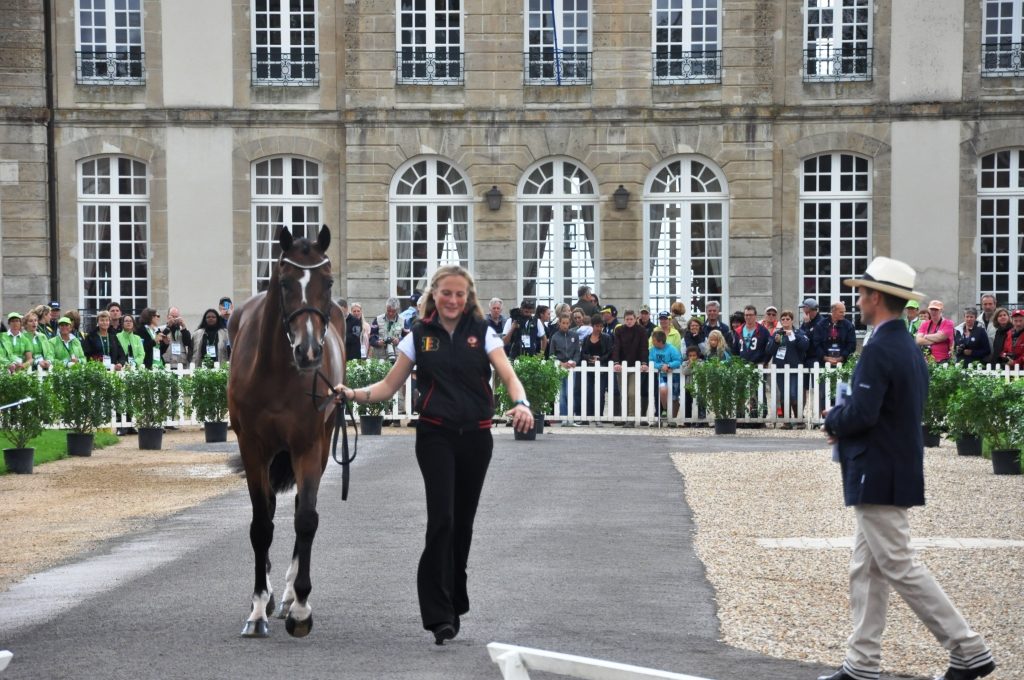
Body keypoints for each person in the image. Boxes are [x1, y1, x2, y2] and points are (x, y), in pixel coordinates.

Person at [331, 265, 533, 646]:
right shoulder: (417, 336)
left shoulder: (483, 334)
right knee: (442, 519)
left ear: (468, 297)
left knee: (464, 524)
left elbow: (507, 374)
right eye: (446, 293)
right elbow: (388, 387)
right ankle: (439, 613)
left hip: (477, 438)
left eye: (459, 294)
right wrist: (352, 394)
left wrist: (521, 402)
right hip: (435, 435)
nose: (453, 300)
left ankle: (455, 598)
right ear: (434, 295)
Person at [820, 256, 995, 680]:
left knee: (897, 563)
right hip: (889, 465)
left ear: (877, 297)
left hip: (876, 468)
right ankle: (861, 664)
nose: (857, 299)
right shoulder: (905, 345)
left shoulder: (882, 346)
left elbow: (862, 413)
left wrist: (832, 420)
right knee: (867, 568)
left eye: (862, 292)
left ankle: (968, 648)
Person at [766, 310, 810, 424]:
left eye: (788, 319)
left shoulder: (799, 332)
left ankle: (798, 419)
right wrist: (775, 343)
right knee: (784, 394)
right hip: (780, 368)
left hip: (795, 368)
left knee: (793, 393)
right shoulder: (777, 334)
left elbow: (805, 346)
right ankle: (787, 421)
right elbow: (769, 350)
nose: (785, 321)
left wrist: (793, 336)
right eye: (783, 319)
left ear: (792, 320)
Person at [612, 309, 648, 424]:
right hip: (622, 366)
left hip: (635, 366)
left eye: (631, 319)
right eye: (627, 319)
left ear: (636, 319)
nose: (629, 321)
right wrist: (616, 362)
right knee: (624, 393)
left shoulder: (641, 330)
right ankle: (625, 417)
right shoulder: (619, 330)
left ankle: (631, 418)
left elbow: (644, 347)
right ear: (624, 319)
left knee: (632, 393)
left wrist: (644, 362)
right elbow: (616, 347)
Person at [546, 313, 581, 424]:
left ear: (570, 323)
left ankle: (571, 417)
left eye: (567, 323)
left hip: (571, 368)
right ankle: (564, 418)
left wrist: (574, 361)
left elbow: (577, 352)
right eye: (563, 323)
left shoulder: (574, 336)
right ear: (559, 323)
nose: (565, 325)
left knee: (570, 392)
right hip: (560, 368)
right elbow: (551, 355)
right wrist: (560, 363)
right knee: (561, 393)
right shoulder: (555, 337)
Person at [579, 312, 613, 423]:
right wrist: (589, 358)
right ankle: (588, 417)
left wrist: (600, 359)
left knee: (600, 393)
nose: (599, 328)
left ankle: (599, 416)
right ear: (592, 326)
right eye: (597, 326)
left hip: (602, 369)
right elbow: (582, 353)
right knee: (588, 392)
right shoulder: (586, 339)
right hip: (588, 369)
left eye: (601, 326)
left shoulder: (606, 338)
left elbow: (609, 353)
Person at [649, 329, 682, 420]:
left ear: (660, 341)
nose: (652, 342)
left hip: (674, 377)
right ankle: (665, 409)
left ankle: (673, 419)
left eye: (654, 340)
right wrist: (660, 366)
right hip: (662, 376)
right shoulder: (652, 350)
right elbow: (651, 361)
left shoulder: (671, 349)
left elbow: (678, 361)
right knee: (662, 390)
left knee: (674, 397)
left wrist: (669, 365)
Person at [370, 297, 405, 364]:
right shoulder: (377, 319)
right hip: (380, 358)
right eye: (388, 310)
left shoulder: (403, 321)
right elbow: (371, 337)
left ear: (397, 310)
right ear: (386, 308)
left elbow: (408, 339)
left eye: (393, 311)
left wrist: (399, 341)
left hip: (397, 358)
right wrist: (378, 342)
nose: (391, 313)